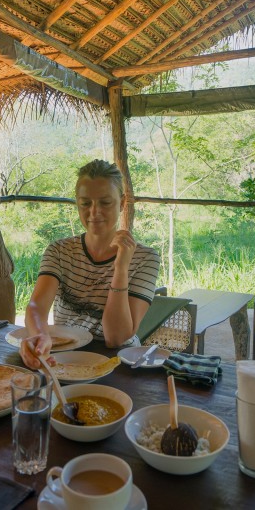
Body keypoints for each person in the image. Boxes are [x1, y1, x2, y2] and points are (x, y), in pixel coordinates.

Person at [19, 159, 160, 370]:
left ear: (121, 203)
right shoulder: (59, 251)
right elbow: (36, 307)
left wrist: (121, 269)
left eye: (105, 202)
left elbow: (116, 338)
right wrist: (40, 336)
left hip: (120, 363)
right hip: (64, 358)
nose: (94, 212)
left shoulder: (145, 258)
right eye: (86, 203)